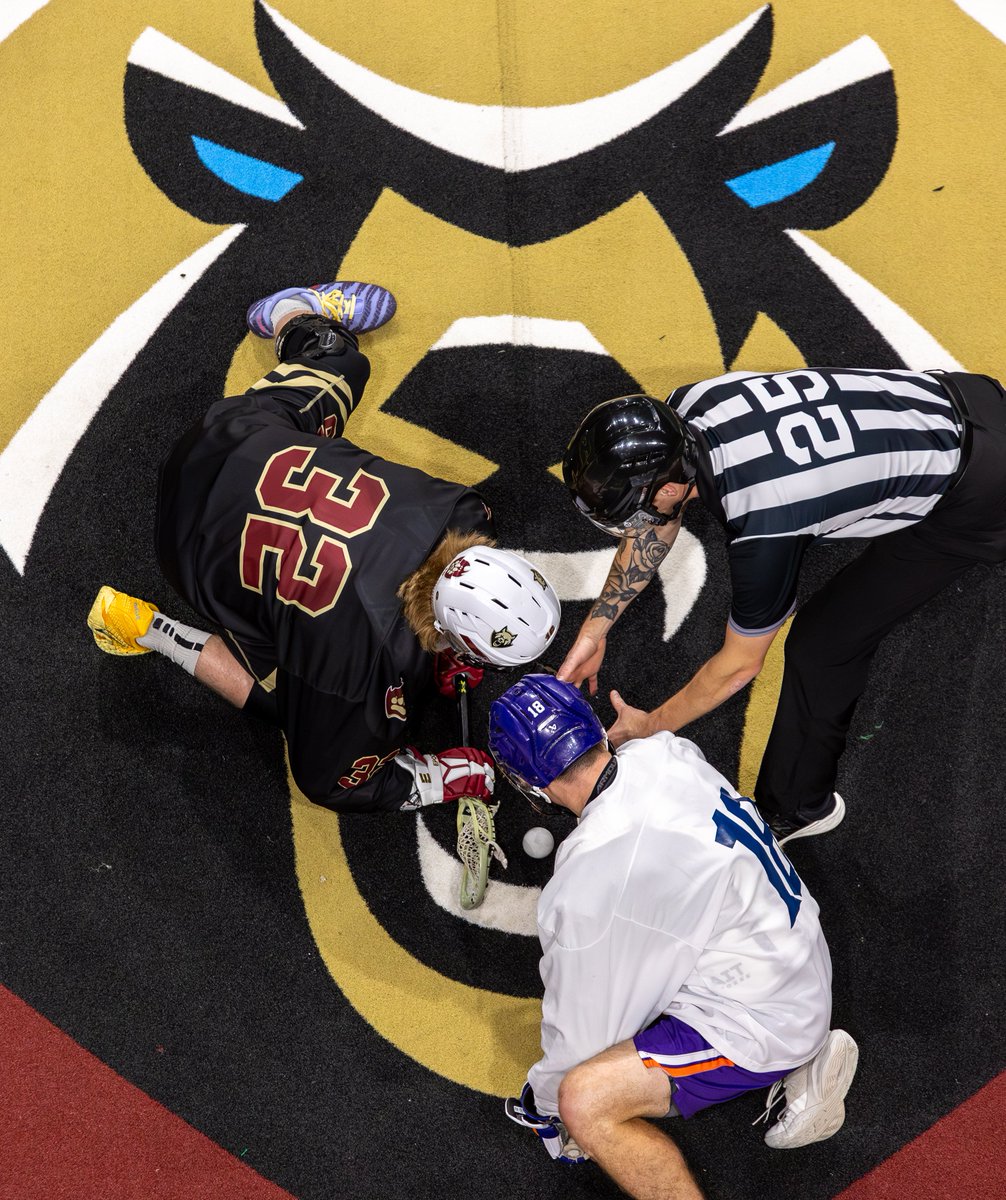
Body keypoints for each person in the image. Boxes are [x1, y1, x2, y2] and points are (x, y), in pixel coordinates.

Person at [88, 281, 561, 814]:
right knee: (287, 705)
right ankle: (151, 630)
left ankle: (294, 313)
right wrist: (447, 776)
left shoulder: (463, 510)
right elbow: (332, 784)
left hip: (227, 438)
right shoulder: (373, 668)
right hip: (186, 551)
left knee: (340, 360)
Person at [558, 369, 1006, 842]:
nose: (636, 523)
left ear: (668, 488)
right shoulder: (689, 404)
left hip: (984, 491)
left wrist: (649, 726)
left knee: (823, 644)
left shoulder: (763, 528)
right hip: (963, 397)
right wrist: (595, 629)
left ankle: (798, 807)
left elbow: (737, 667)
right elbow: (661, 517)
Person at [489, 674, 858, 1200]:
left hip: (764, 1022)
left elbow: (584, 1030)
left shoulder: (595, 880)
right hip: (791, 953)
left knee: (584, 1100)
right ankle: (803, 1053)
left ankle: (795, 1058)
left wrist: (547, 1103)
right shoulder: (664, 751)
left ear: (528, 784)